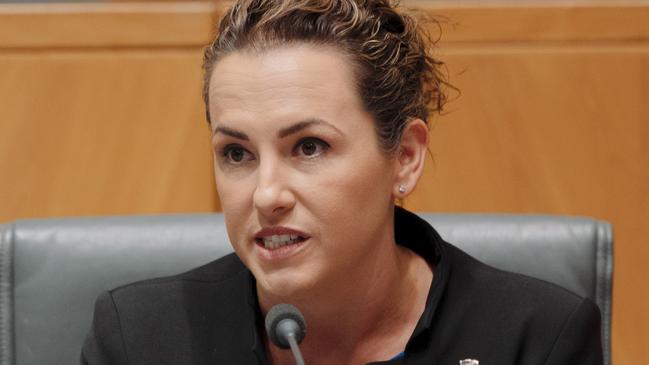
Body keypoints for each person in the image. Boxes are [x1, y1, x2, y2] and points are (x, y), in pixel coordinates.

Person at [81, 0, 604, 364]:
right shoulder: (140, 338)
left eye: (309, 147)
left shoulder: (537, 337)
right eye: (236, 153)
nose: (266, 194)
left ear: (404, 156)